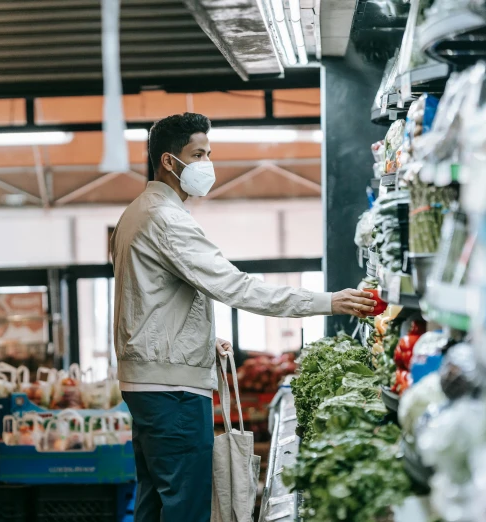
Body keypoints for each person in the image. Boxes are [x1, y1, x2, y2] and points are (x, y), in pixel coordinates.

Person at [110, 113, 377, 522]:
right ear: (168, 161)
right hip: (173, 389)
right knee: (186, 504)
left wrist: (199, 339)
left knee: (156, 499)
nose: (206, 164)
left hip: (147, 382)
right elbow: (236, 286)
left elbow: (147, 301)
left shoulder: (136, 213)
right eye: (197, 154)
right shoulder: (166, 220)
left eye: (208, 154)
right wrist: (328, 302)